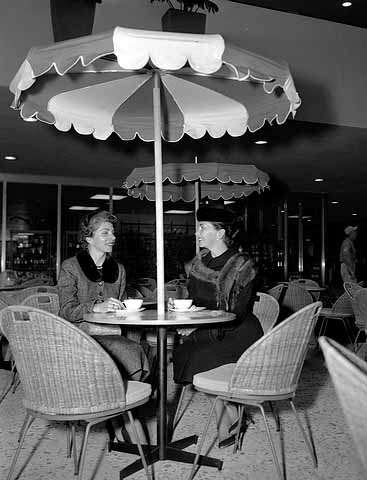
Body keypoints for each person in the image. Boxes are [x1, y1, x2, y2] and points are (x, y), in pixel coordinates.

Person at [172, 205, 263, 448]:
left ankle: (227, 419)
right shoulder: (198, 262)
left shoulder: (243, 264)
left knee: (200, 357)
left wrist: (197, 326)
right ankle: (233, 411)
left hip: (237, 331)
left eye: (203, 227)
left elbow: (237, 311)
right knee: (183, 353)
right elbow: (194, 301)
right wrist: (186, 316)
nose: (198, 233)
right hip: (206, 329)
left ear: (220, 233)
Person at [58, 210, 150, 442]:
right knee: (128, 351)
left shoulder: (118, 270)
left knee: (138, 348)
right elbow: (66, 311)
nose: (113, 237)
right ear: (89, 238)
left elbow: (119, 310)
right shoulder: (70, 267)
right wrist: (94, 307)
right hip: (82, 337)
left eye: (113, 232)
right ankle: (126, 420)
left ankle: (121, 414)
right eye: (105, 232)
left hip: (113, 333)